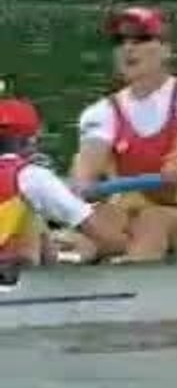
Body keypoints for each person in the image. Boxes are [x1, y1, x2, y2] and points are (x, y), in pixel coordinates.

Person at [69, 7, 177, 262]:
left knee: (152, 219)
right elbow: (88, 164)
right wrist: (81, 186)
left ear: (167, 49)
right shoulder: (100, 113)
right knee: (93, 221)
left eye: (141, 39)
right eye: (120, 41)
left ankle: (129, 292)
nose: (128, 48)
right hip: (132, 218)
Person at [0, 98, 127, 265]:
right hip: (13, 273)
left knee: (38, 229)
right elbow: (105, 237)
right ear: (31, 140)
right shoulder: (32, 177)